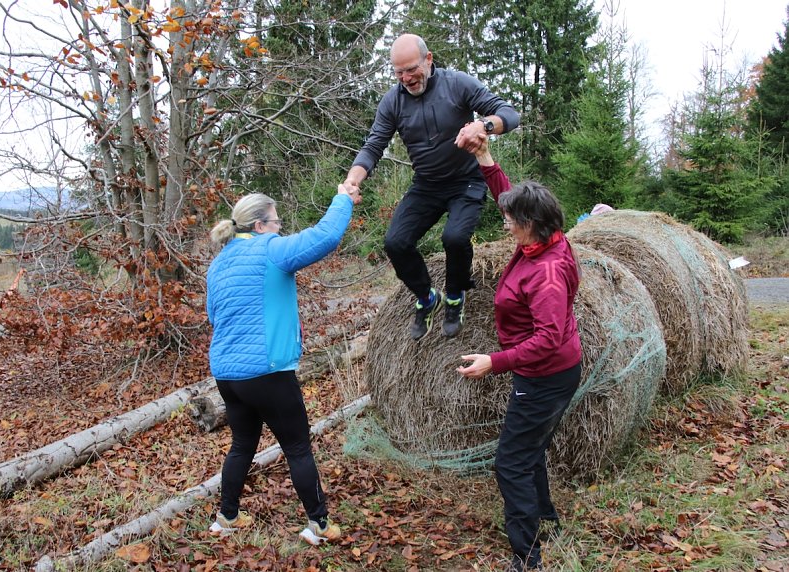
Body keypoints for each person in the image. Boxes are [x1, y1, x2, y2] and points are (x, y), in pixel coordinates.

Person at [205, 183, 361, 546]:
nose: (281, 228)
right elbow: (325, 237)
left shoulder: (218, 265)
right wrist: (342, 198)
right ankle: (318, 524)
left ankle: (227, 516)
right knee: (297, 447)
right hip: (268, 371)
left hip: (228, 375)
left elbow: (216, 317)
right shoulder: (270, 250)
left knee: (243, 444)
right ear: (260, 225)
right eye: (277, 221)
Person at [455, 134, 582, 572]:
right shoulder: (544, 240)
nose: (504, 223)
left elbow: (547, 337)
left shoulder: (545, 273)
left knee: (509, 463)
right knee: (532, 449)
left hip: (544, 375)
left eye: (512, 220)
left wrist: (496, 361)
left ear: (532, 223)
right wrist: (486, 159)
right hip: (555, 371)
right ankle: (546, 516)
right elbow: (507, 198)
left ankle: (527, 558)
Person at [343, 33, 520, 341]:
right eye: (398, 73)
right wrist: (353, 179)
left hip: (466, 180)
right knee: (396, 242)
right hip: (426, 184)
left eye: (411, 69)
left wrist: (483, 125)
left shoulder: (458, 84)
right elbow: (373, 146)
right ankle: (427, 298)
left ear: (428, 59)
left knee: (454, 238)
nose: (406, 78)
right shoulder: (392, 101)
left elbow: (510, 114)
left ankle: (454, 296)